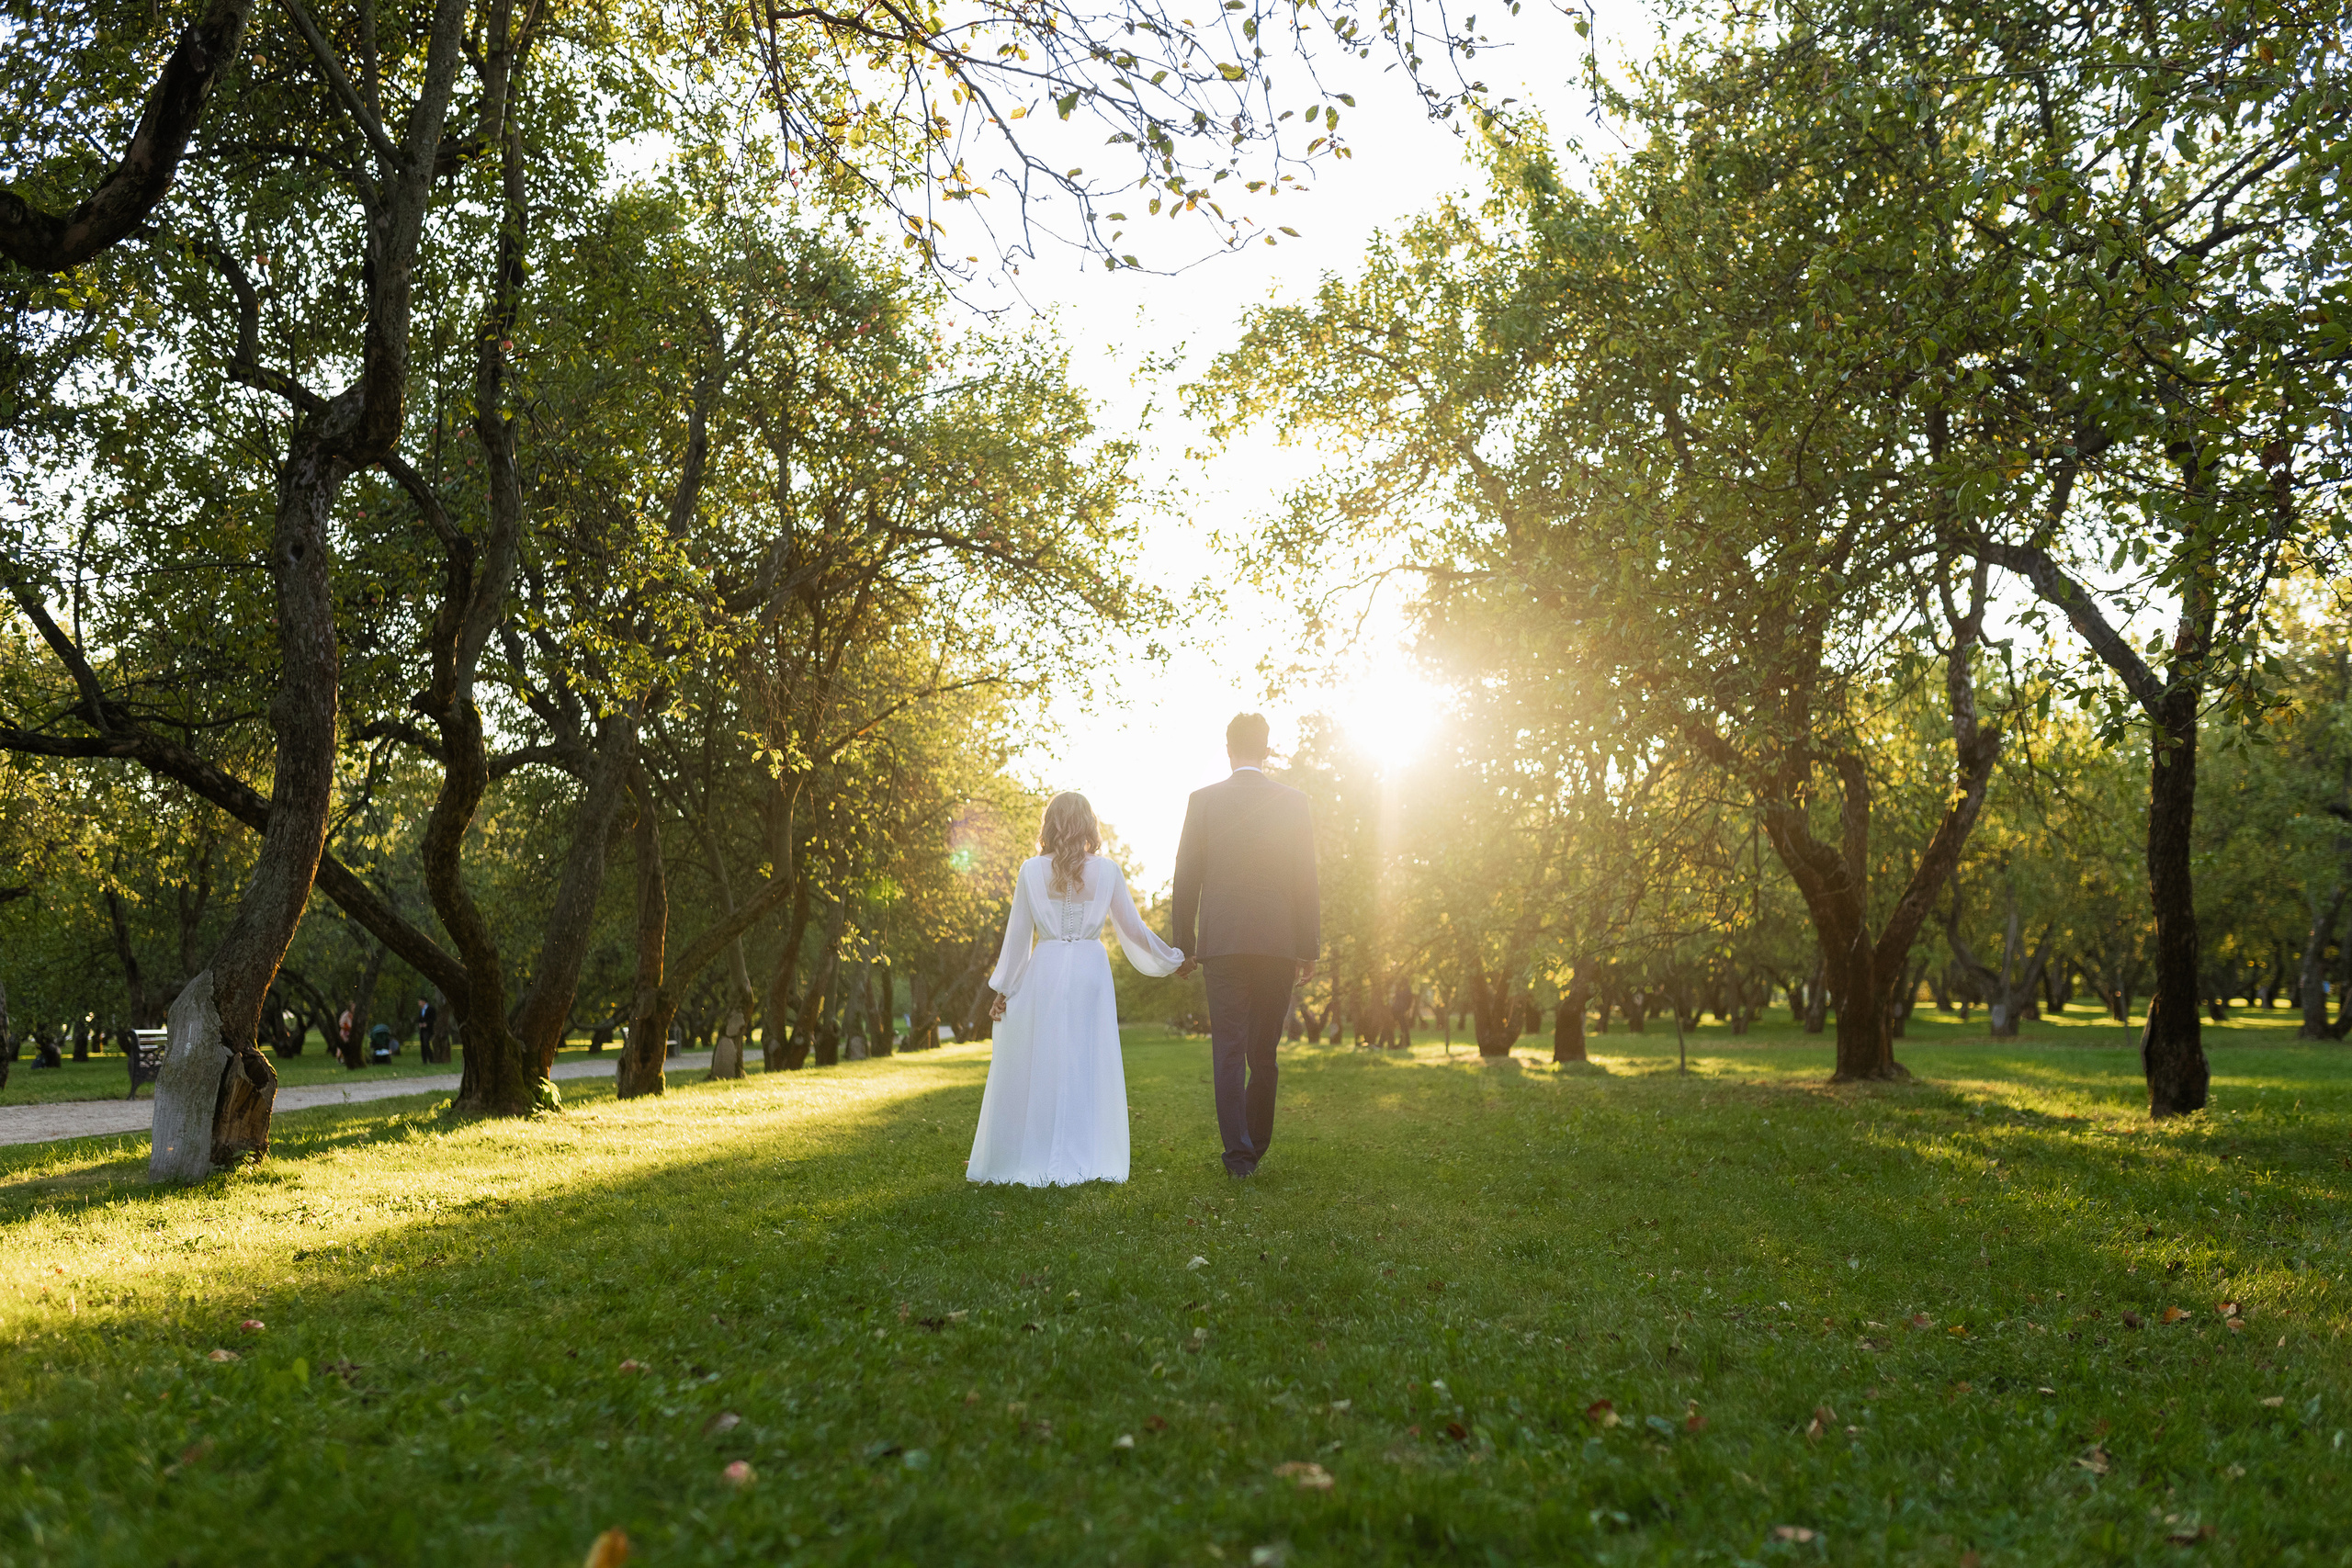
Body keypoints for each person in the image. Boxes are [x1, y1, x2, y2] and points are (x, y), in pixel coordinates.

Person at [967, 792, 1187, 1186]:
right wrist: (1172, 957)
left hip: (1047, 966)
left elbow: (1018, 938)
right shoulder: (1109, 871)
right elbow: (1133, 930)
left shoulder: (1031, 870)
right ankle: (1085, 1153)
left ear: (1049, 824)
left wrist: (1004, 989)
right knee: (1087, 1059)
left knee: (1047, 1057)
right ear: (1089, 824)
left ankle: (1040, 1150)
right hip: (1090, 968)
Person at [1170, 712, 1321, 1178]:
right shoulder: (1295, 802)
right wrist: (1308, 946)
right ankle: (1255, 1146)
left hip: (1224, 943)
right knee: (1264, 1052)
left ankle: (1239, 1157)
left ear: (1229, 749)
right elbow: (1306, 878)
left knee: (1229, 1050)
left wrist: (1184, 944)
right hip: (1278, 943)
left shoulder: (1203, 801)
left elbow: (1186, 876)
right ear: (1268, 749)